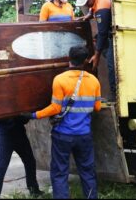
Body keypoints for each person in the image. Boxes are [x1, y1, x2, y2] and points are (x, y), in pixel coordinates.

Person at [20, 46, 101, 199]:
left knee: (59, 173)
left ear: (68, 58)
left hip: (63, 135)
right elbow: (97, 107)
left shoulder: (60, 79)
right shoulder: (94, 81)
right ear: (85, 60)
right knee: (87, 172)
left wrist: (33, 115)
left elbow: (55, 108)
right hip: (84, 135)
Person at [75, 0, 115, 102]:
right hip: (107, 30)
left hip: (112, 34)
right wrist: (88, 15)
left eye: (87, 2)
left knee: (111, 64)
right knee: (99, 40)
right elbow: (93, 9)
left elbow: (103, 34)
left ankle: (115, 96)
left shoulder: (102, 7)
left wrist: (96, 56)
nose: (86, 4)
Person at [0, 116, 44, 199]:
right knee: (0, 168)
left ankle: (34, 191)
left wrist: (26, 115)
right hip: (4, 134)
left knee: (30, 161)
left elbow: (24, 120)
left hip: (19, 132)